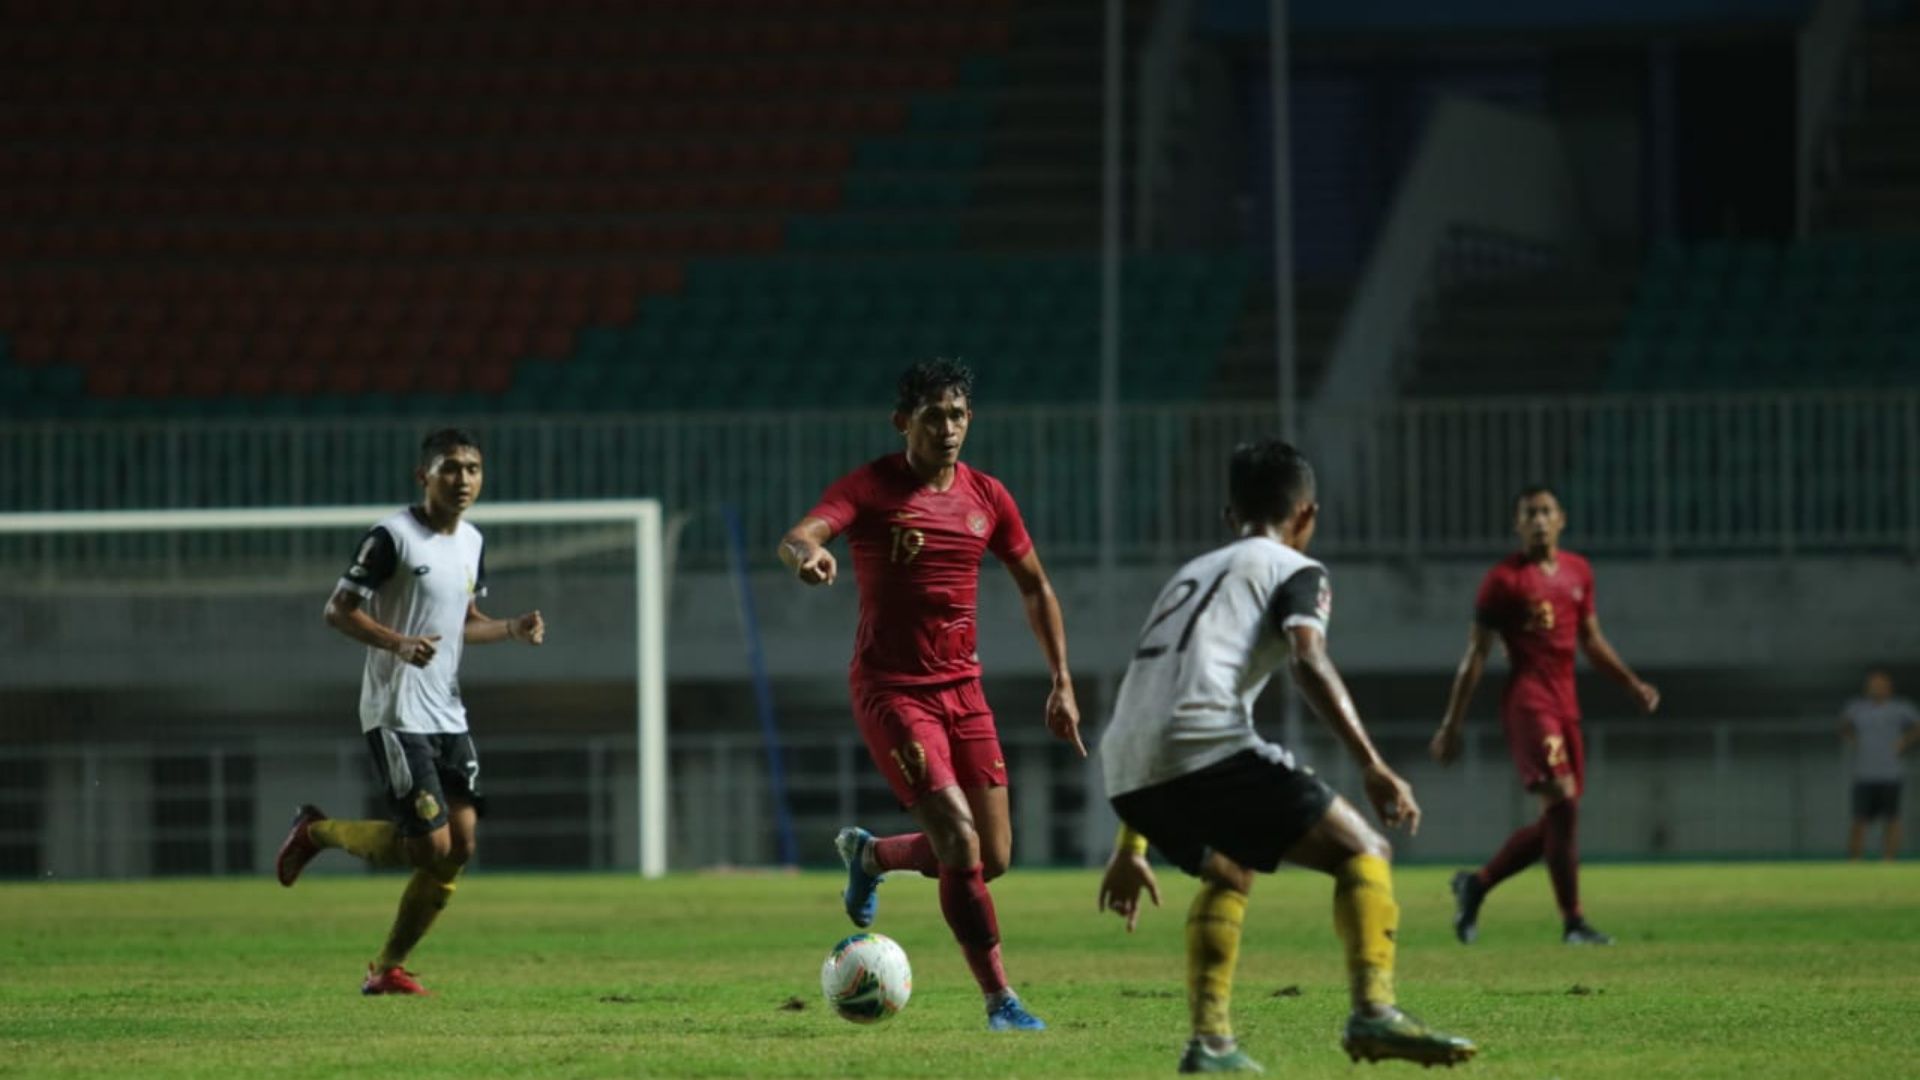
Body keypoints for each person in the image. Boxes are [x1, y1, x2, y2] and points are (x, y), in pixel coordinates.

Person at [1094, 438, 1476, 1073]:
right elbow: (1308, 658)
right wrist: (1372, 763)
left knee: (1229, 869)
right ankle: (1374, 1012)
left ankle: (1211, 1043)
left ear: (1229, 517)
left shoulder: (1189, 574)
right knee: (1365, 850)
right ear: (1308, 515)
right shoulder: (1296, 569)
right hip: (1204, 744)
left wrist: (1130, 848)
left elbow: (1157, 710)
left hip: (1125, 764)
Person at [777, 359, 1083, 1032]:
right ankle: (1001, 999)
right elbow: (800, 534)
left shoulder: (988, 497)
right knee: (957, 837)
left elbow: (1034, 585)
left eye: (959, 414)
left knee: (991, 856)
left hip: (964, 690)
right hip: (892, 691)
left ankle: (873, 855)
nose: (948, 428)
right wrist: (809, 558)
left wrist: (1061, 678)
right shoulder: (874, 485)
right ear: (903, 422)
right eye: (934, 416)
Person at [273, 428, 547, 996]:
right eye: (450, 468)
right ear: (424, 477)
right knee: (430, 848)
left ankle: (387, 968)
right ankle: (317, 832)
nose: (463, 479)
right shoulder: (391, 537)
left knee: (461, 847)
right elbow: (338, 611)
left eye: (472, 468)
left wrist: (512, 628)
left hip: (448, 712)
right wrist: (397, 642)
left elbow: (465, 622)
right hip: (396, 711)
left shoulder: (472, 541)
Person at [1429, 485, 1659, 947]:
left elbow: (1591, 641)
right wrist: (1451, 723)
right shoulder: (1503, 581)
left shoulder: (1578, 572)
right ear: (1517, 524)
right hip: (1529, 703)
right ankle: (1573, 922)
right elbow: (1476, 655)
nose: (1538, 520)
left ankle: (1477, 884)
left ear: (1561, 519)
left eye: (1546, 511)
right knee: (1563, 804)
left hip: (1567, 705)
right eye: (1529, 513)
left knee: (1562, 817)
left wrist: (1632, 684)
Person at [1841, 669, 1919, 861]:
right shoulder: (1856, 708)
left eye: (1880, 685)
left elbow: (1917, 726)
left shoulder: (1901, 708)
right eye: (1873, 685)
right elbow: (1844, 725)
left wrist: (1904, 742)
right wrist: (1854, 741)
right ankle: (1855, 861)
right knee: (1859, 819)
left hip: (1890, 774)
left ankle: (1888, 860)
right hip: (1864, 774)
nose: (1876, 688)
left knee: (1892, 819)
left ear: (1888, 687)